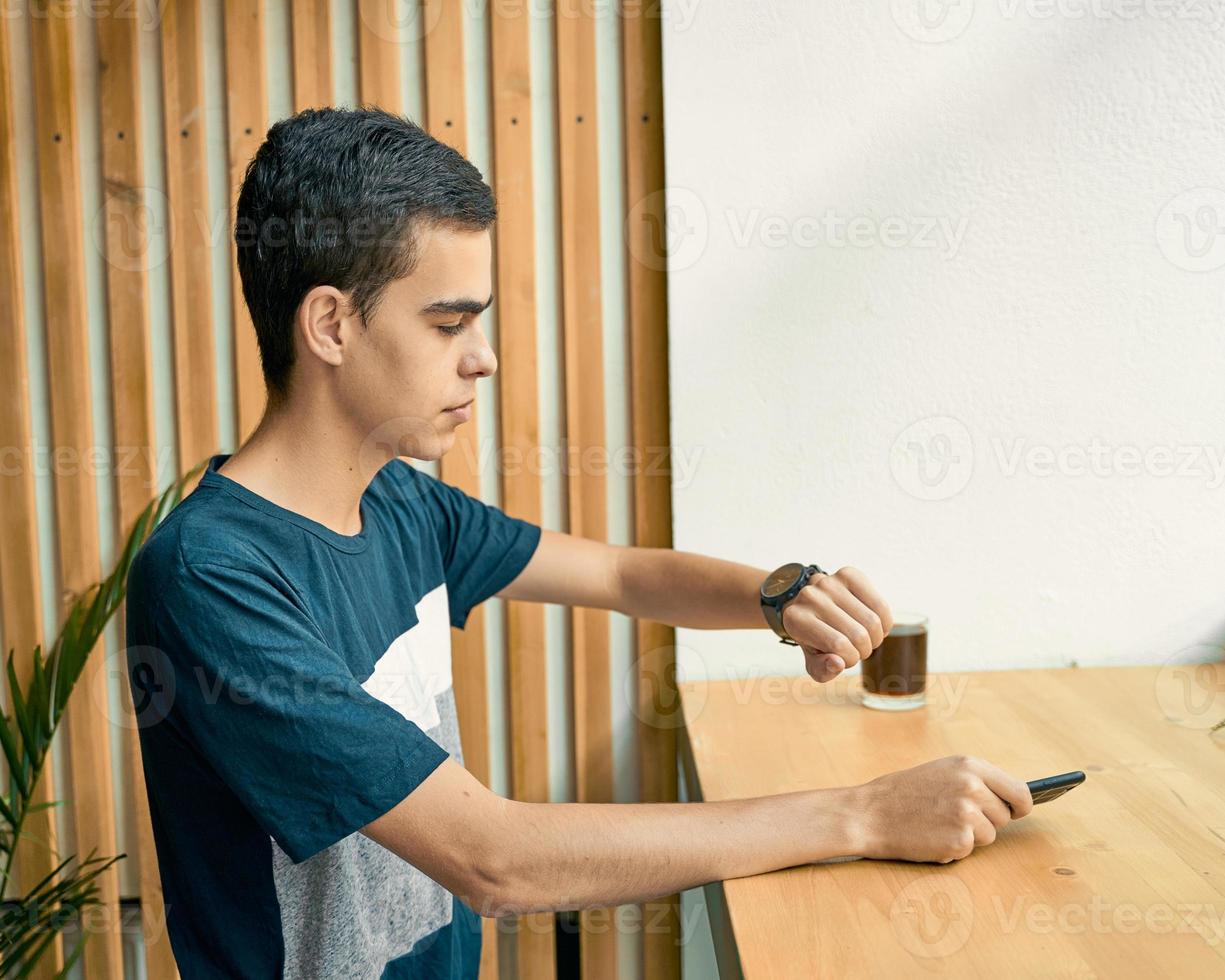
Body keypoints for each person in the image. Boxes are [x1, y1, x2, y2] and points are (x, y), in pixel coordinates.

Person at [125, 107, 1033, 980]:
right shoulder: (213, 576)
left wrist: (779, 594)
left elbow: (625, 574)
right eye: (447, 324)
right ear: (330, 324)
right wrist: (865, 815)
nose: (482, 357)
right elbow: (495, 860)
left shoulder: (401, 503)